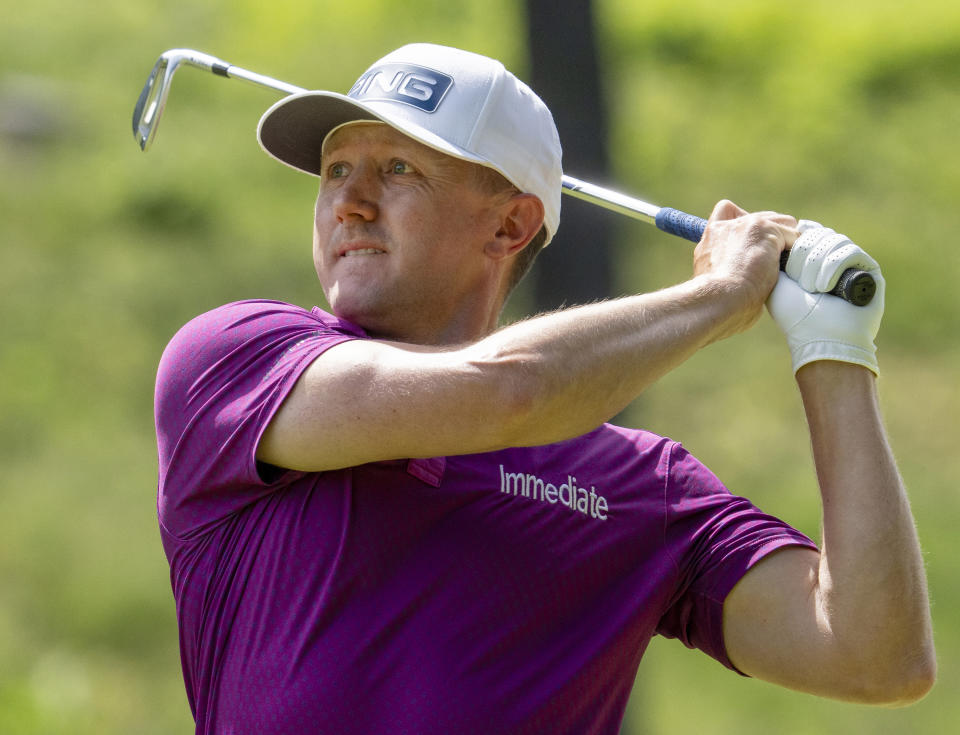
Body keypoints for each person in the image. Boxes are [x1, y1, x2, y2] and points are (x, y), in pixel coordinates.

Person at [154, 43, 935, 734]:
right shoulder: (237, 359)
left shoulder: (644, 491)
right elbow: (505, 392)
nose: (349, 202)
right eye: (336, 170)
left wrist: (833, 346)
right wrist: (718, 297)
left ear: (510, 226)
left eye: (397, 169)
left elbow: (878, 656)